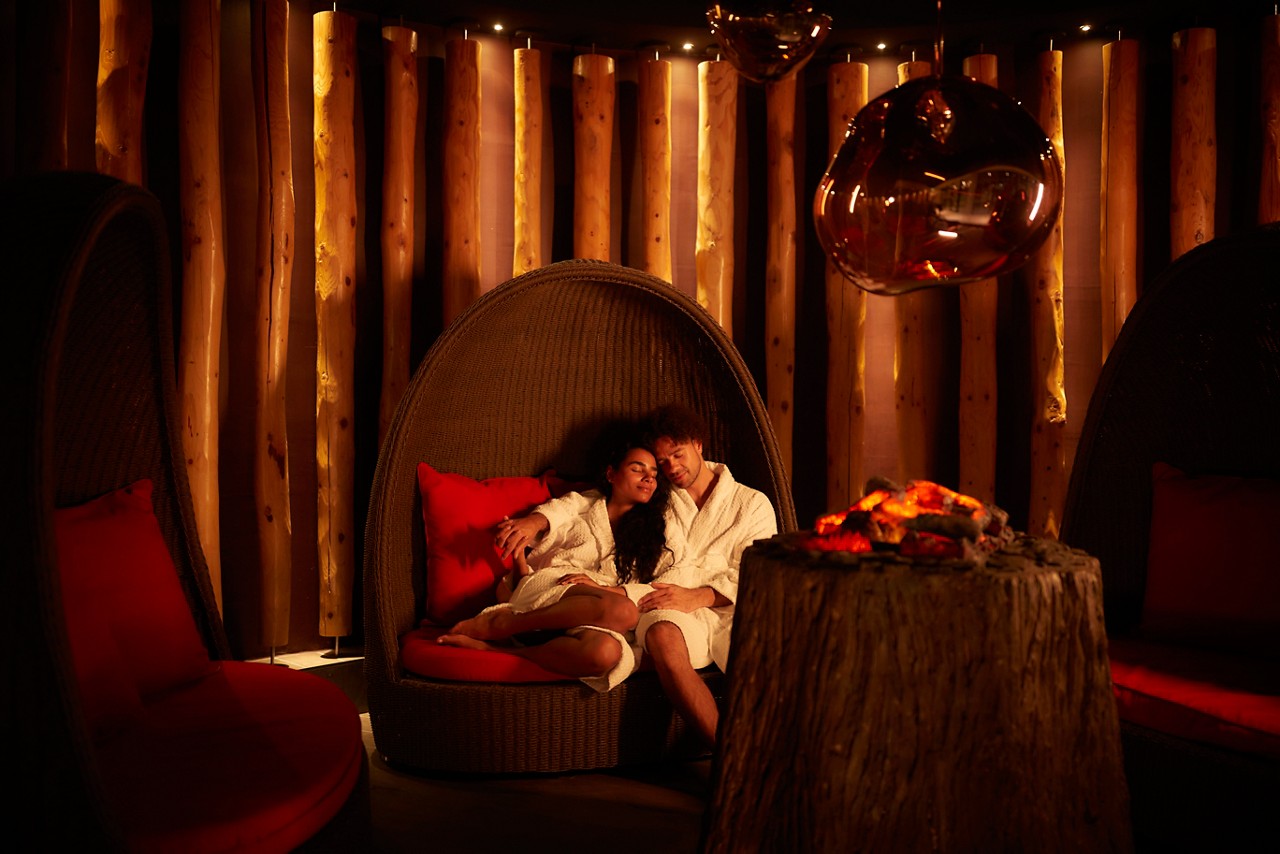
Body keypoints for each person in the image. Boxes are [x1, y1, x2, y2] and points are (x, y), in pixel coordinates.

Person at [496, 403, 777, 746]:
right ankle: (729, 757)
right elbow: (593, 501)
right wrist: (538, 521)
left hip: (725, 607)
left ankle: (762, 754)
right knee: (661, 634)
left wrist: (698, 596)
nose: (672, 468)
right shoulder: (659, 494)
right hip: (663, 602)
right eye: (663, 462)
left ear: (698, 444)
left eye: (678, 454)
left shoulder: (752, 504)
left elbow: (759, 572)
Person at [438, 436, 676, 693]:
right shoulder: (581, 509)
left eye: (654, 474)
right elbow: (555, 512)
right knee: (625, 611)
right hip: (553, 586)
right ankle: (504, 624)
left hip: (596, 613)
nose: (648, 478)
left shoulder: (655, 533)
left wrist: (604, 590)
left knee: (605, 654)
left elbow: (668, 581)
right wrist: (530, 526)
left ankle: (497, 645)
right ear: (611, 474)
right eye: (637, 469)